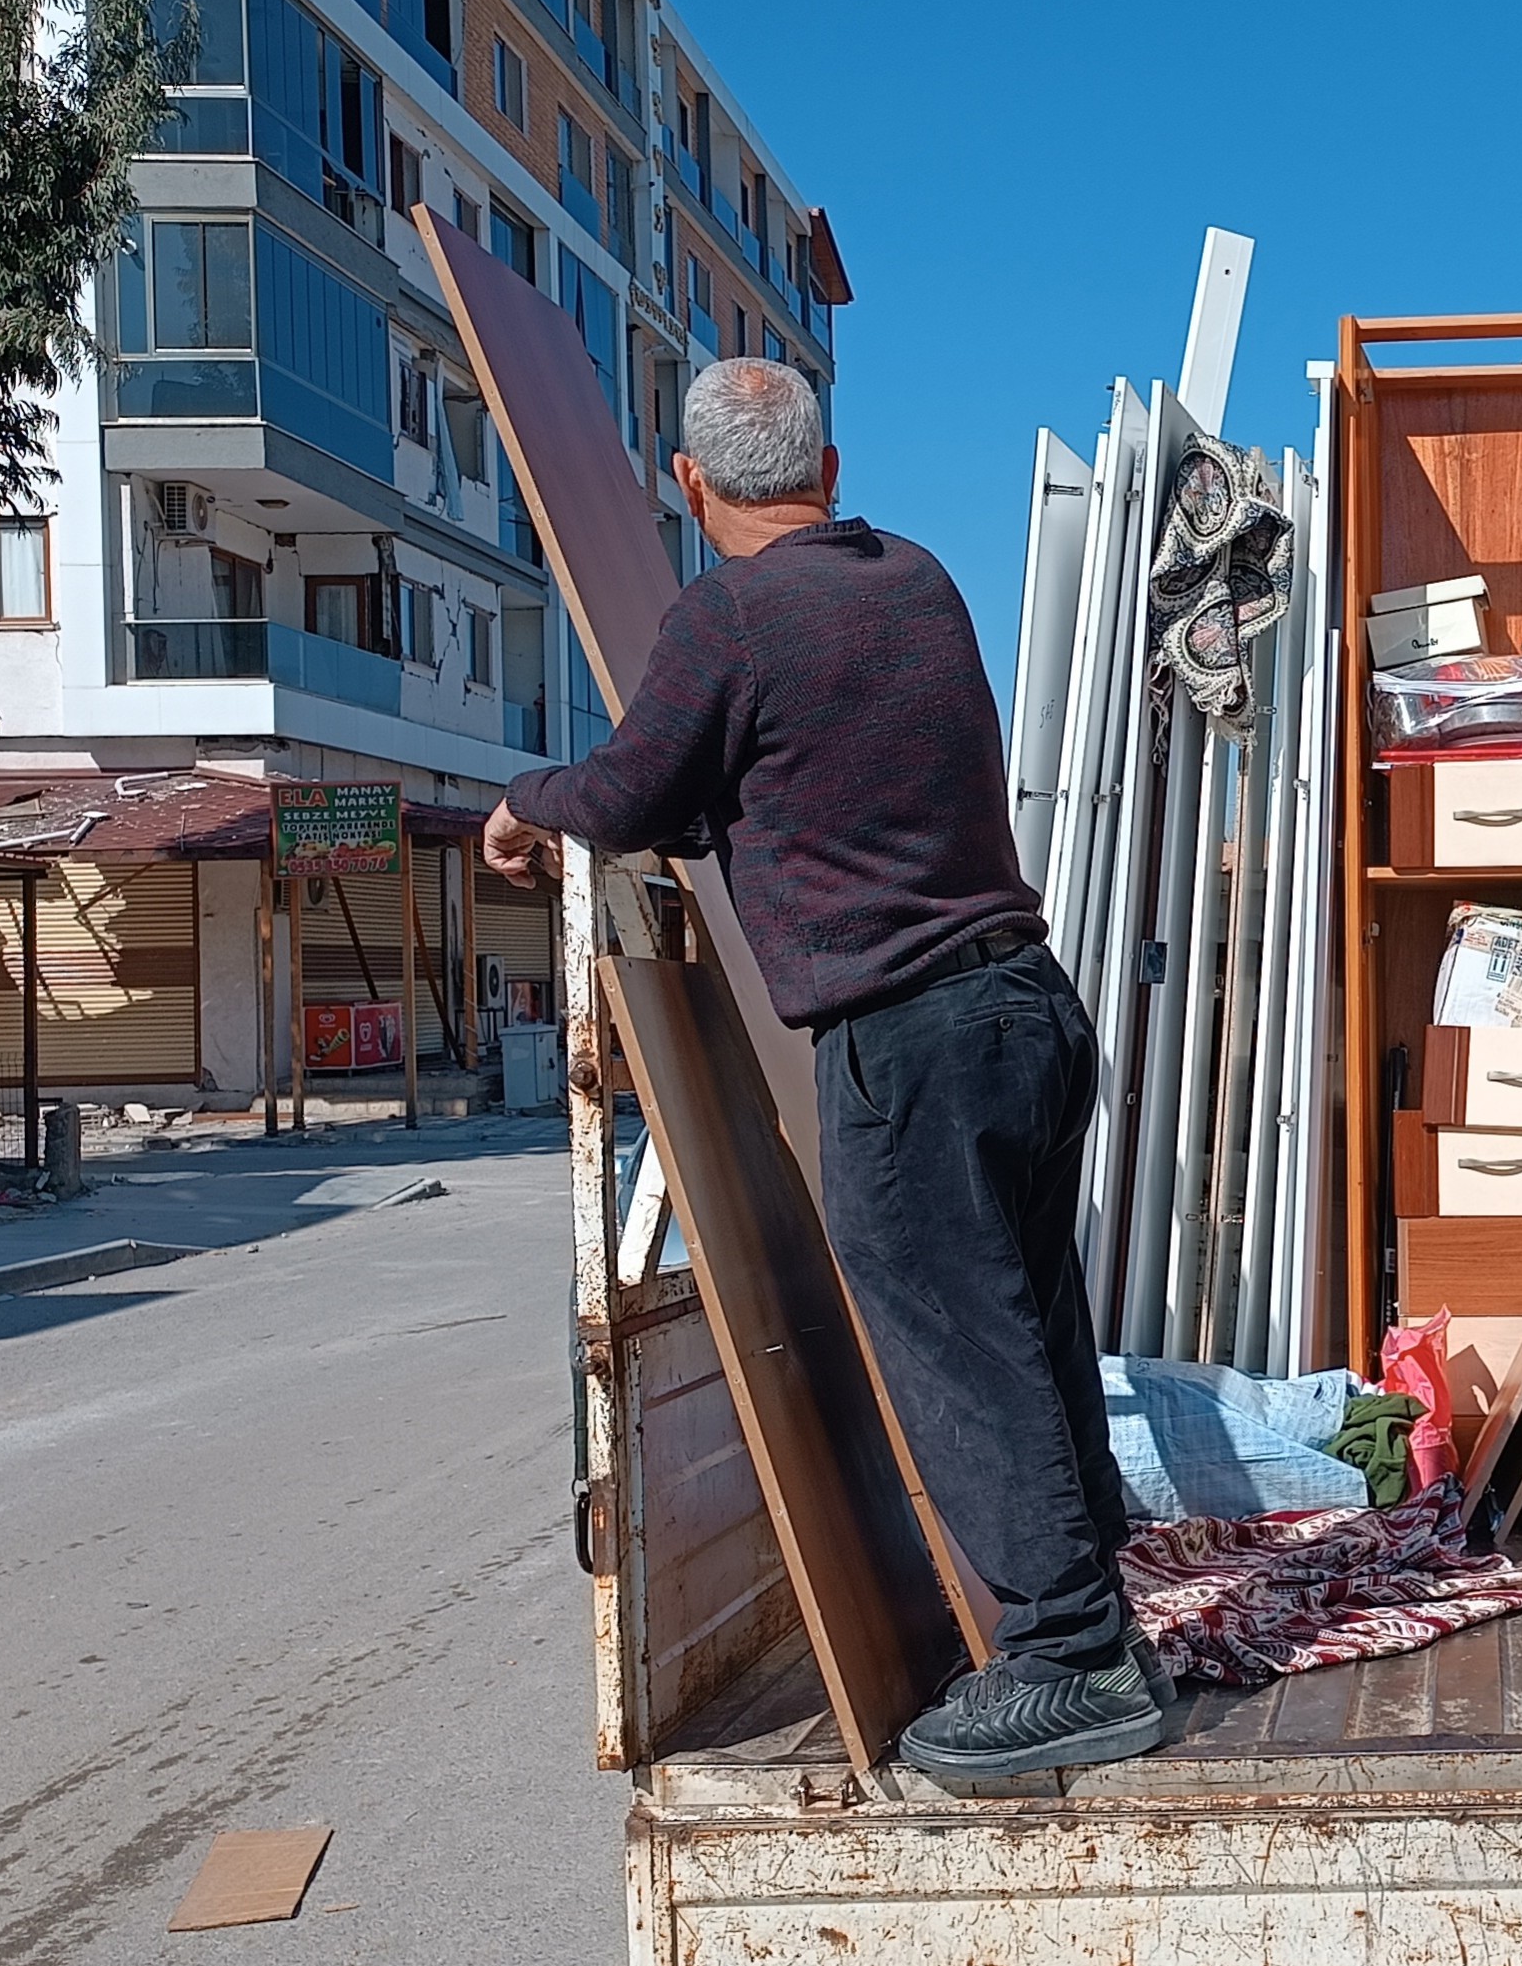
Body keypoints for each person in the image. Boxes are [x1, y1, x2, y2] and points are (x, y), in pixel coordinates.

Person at [482, 358, 1164, 1783]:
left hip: (911, 1037)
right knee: (1029, 1324)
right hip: (1031, 1009)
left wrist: (520, 805)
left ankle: (1071, 1656)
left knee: (961, 1344)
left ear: (689, 483)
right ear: (831, 472)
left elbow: (629, 796)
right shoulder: (914, 578)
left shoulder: (727, 614)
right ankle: (1103, 1613)